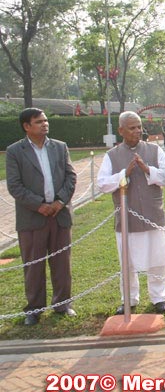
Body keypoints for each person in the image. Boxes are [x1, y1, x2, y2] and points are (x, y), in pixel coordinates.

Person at [97, 111, 165, 315]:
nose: (137, 131)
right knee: (128, 262)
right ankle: (129, 299)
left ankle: (159, 297)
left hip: (152, 214)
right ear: (121, 130)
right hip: (127, 218)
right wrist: (125, 173)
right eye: (132, 128)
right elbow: (102, 184)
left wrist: (147, 169)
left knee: (157, 259)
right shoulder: (112, 155)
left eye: (139, 126)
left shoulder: (154, 150)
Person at [6, 108, 77, 326]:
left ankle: (62, 305)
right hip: (32, 218)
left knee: (62, 264)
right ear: (26, 126)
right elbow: (14, 186)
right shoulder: (15, 151)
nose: (45, 124)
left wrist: (59, 201)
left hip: (59, 215)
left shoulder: (60, 147)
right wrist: (39, 205)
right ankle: (34, 309)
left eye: (45, 120)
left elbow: (71, 177)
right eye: (39, 122)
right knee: (33, 266)